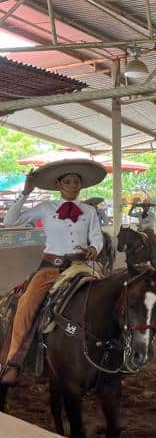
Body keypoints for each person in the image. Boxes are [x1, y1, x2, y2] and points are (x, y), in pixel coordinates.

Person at [0, 159, 106, 386]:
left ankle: (114, 354)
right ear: (59, 185)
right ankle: (13, 362)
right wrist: (26, 194)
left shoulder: (89, 211)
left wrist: (94, 248)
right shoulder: (46, 208)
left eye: (77, 181)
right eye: (68, 181)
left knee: (109, 295)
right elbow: (9, 221)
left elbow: (97, 237)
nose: (73, 185)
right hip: (50, 268)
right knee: (27, 302)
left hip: (82, 266)